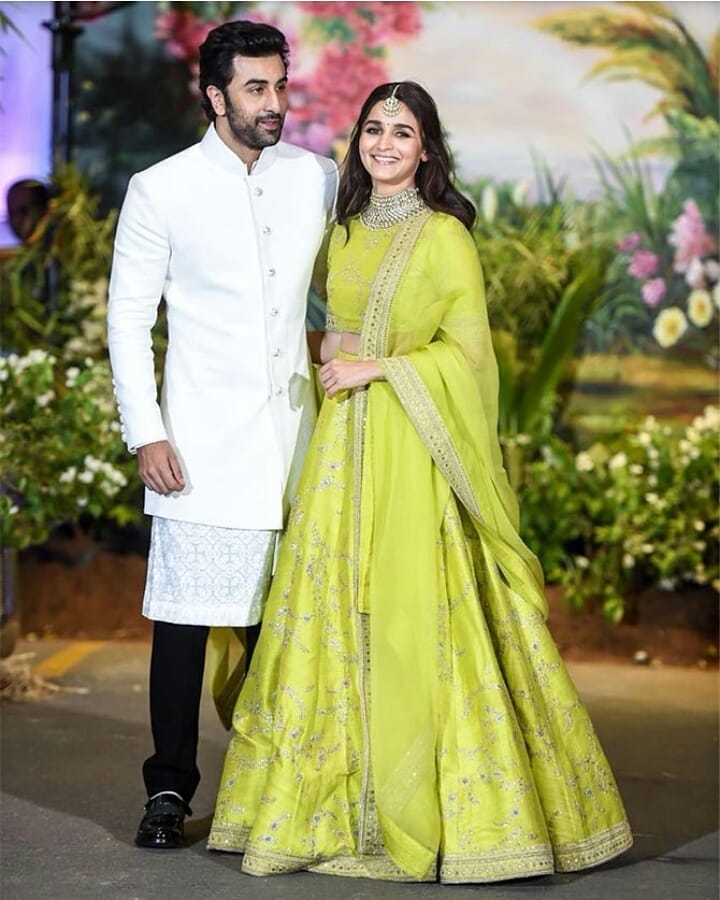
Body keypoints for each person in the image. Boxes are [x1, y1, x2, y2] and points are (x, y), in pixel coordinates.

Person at [207, 81, 633, 882]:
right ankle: (323, 805)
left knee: (419, 617)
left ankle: (443, 814)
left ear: (428, 149)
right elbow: (330, 332)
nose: (385, 144)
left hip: (416, 451)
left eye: (403, 133)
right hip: (341, 456)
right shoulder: (344, 231)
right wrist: (322, 356)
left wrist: (381, 367)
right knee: (332, 615)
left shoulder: (445, 237)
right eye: (374, 129)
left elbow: (470, 361)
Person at [107, 20, 337, 850]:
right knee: (183, 626)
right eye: (255, 88)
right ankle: (168, 791)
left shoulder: (314, 176)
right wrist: (148, 434)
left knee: (288, 629)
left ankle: (282, 785)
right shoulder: (160, 188)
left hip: (302, 442)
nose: (274, 103)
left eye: (280, 85)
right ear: (215, 95)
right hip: (197, 448)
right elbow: (128, 322)